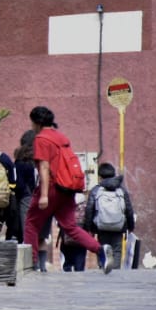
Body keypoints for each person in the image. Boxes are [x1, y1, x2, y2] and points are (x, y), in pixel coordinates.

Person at [23, 106, 111, 274]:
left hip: (52, 188)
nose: (31, 126)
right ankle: (100, 250)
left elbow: (44, 166)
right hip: (67, 188)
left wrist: (43, 196)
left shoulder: (41, 138)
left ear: (37, 123)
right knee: (70, 227)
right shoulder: (61, 137)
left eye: (32, 122)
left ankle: (31, 263)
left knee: (31, 223)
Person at [85, 162, 134, 271]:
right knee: (116, 250)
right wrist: (131, 226)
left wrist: (88, 228)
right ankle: (115, 272)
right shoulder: (121, 190)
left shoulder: (96, 190)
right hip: (118, 227)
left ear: (100, 177)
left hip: (101, 227)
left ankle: (103, 268)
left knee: (102, 247)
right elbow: (129, 209)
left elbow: (89, 209)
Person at [7, 130, 38, 246]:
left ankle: (31, 262)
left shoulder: (21, 161)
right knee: (39, 235)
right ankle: (39, 262)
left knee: (27, 232)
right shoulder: (39, 159)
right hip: (41, 198)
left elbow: (18, 184)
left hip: (26, 198)